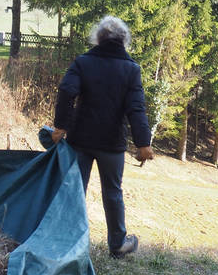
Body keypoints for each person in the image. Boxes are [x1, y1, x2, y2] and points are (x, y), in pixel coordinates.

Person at [51, 15, 154, 258]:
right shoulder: (131, 69)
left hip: (81, 140)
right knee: (113, 193)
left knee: (76, 191)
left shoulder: (83, 62)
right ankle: (118, 245)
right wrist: (143, 143)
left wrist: (61, 126)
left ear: (98, 38)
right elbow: (136, 108)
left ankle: (66, 242)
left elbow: (67, 91)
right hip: (112, 143)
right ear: (124, 40)